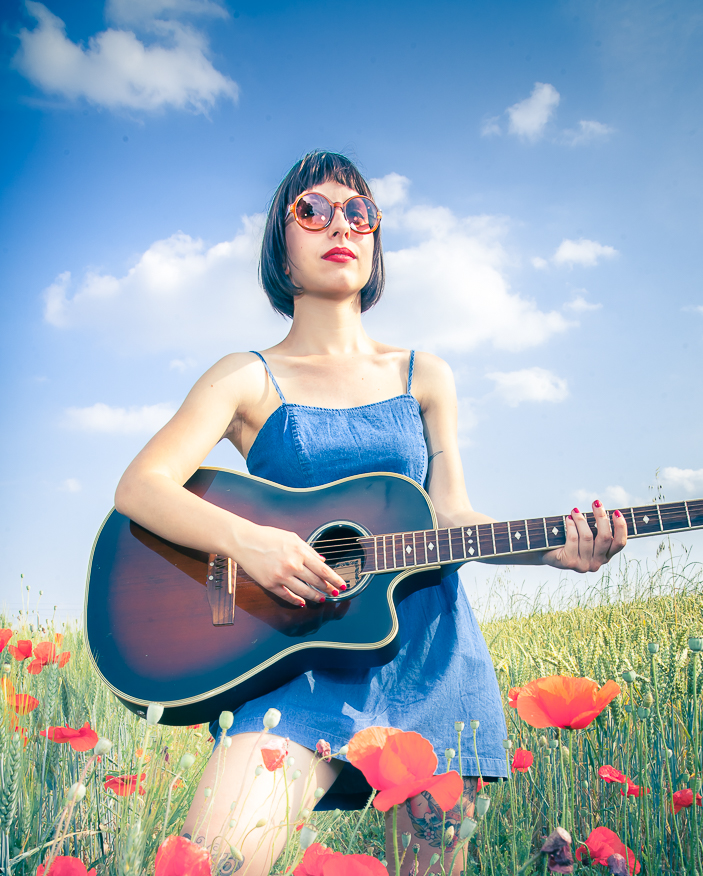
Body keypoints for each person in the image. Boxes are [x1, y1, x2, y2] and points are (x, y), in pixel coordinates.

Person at [114, 150, 627, 875]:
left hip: (429, 665)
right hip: (290, 667)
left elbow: (452, 521)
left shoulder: (425, 375)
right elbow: (142, 486)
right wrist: (250, 543)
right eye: (313, 210)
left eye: (360, 212)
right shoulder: (244, 377)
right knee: (213, 863)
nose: (341, 225)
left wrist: (551, 550)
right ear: (280, 246)